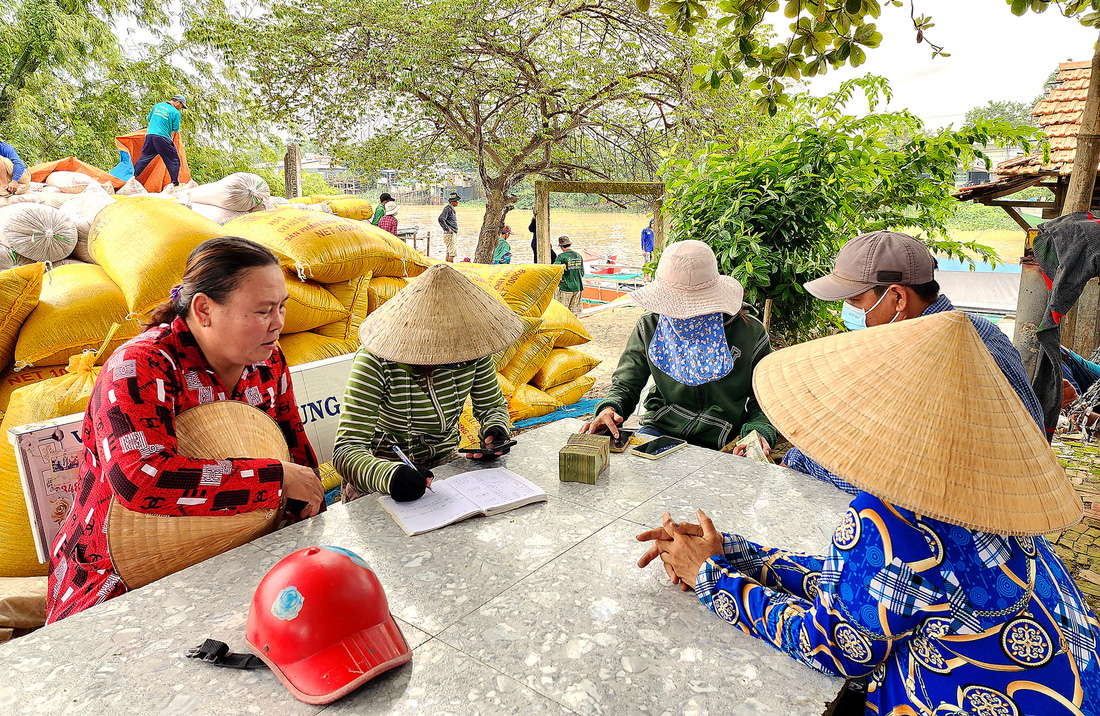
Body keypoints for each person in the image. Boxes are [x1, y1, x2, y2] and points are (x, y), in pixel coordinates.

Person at [637, 310, 1100, 716]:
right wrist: (735, 553)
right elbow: (865, 585)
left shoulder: (889, 520)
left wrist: (708, 577)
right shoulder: (982, 499)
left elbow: (835, 646)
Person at [46, 237, 324, 624]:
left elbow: (295, 449)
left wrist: (307, 508)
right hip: (120, 572)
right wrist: (274, 480)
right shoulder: (141, 365)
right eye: (263, 311)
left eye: (281, 308)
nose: (278, 323)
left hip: (235, 544)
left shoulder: (267, 362)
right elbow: (139, 479)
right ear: (204, 309)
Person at [784, 230, 1045, 495]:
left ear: (898, 298)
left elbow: (907, 481)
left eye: (854, 300)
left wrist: (804, 461)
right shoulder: (963, 328)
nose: (848, 312)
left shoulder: (947, 359)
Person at [333, 263, 522, 503]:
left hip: (445, 465)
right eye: (447, 357)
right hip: (382, 470)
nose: (457, 360)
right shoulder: (376, 362)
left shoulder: (474, 349)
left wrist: (495, 433)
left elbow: (492, 406)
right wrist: (391, 476)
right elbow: (346, 450)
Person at [580, 240, 775, 455]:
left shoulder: (750, 333)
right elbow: (626, 384)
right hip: (659, 430)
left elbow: (766, 400)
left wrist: (759, 432)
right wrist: (610, 408)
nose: (682, 315)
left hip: (725, 439)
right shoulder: (649, 326)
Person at [132, 95, 187, 187]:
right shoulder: (175, 112)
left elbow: (149, 119)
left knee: (145, 157)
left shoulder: (157, 106)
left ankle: (132, 177)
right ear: (178, 102)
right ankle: (175, 183)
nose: (181, 108)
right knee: (174, 160)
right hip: (163, 138)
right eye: (181, 105)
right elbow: (176, 129)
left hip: (149, 136)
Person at [553, 235, 584, 314]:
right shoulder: (578, 256)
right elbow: (582, 272)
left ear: (561, 247)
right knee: (574, 313)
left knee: (563, 311)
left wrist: (559, 281)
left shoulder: (561, 257)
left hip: (566, 288)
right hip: (578, 287)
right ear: (569, 245)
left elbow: (556, 270)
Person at [438, 191, 460, 262]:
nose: (458, 202)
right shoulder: (447, 208)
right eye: (457, 201)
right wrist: (447, 228)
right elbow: (441, 219)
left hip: (451, 233)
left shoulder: (451, 208)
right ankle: (451, 268)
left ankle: (447, 266)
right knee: (452, 252)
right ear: (452, 202)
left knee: (449, 251)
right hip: (450, 234)